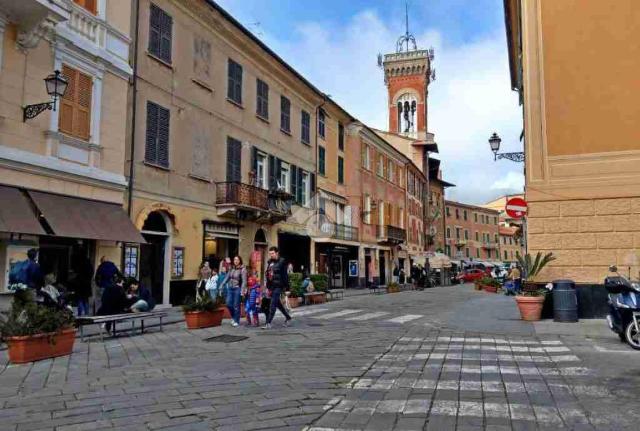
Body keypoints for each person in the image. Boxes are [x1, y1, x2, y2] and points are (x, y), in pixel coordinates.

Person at [262, 246, 292, 329]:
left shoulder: (282, 262)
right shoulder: (270, 262)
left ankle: (268, 323)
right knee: (277, 303)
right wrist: (267, 286)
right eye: (270, 253)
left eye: (272, 253)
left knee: (273, 304)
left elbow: (285, 276)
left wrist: (287, 288)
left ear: (277, 253)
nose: (271, 255)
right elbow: (268, 275)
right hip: (271, 286)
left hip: (279, 286)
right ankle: (288, 317)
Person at [221, 256, 247, 327]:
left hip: (237, 288)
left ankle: (236, 320)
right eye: (234, 259)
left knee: (236, 305)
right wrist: (222, 284)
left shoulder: (243, 269)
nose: (236, 261)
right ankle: (233, 316)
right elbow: (227, 277)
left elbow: (244, 281)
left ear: (240, 261)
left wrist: (242, 291)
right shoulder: (231, 268)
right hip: (230, 288)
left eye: (237, 259)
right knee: (228, 303)